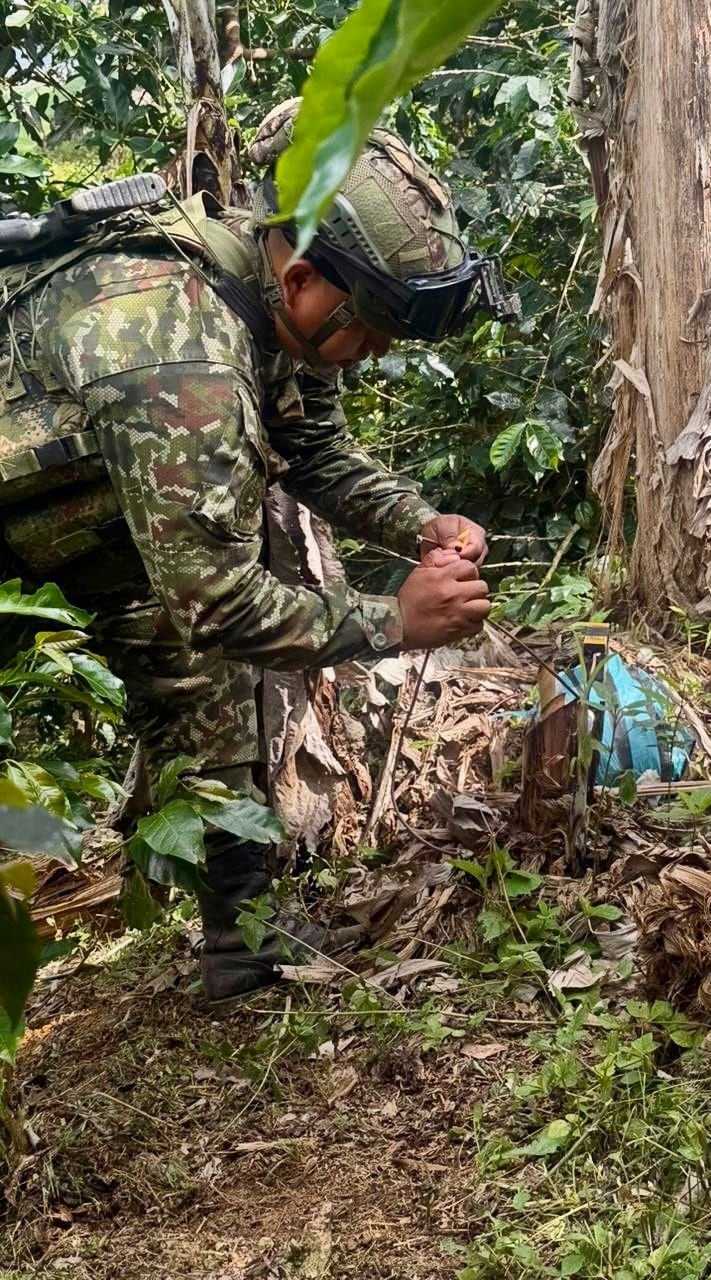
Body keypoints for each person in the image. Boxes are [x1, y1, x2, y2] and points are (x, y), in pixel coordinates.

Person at [0, 98, 518, 1000]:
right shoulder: (176, 351)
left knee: (202, 679)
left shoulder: (260, 295)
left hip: (69, 524)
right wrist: (395, 620)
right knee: (206, 637)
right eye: (365, 328)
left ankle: (241, 943)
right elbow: (220, 601)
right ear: (304, 280)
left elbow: (313, 447)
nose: (368, 354)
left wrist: (417, 524)